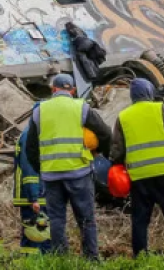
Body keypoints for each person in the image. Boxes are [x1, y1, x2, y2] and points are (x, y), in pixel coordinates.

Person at [25, 74, 111, 259]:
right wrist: (98, 154)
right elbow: (105, 133)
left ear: (53, 89)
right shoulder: (81, 107)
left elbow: (30, 147)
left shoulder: (40, 111)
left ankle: (61, 259)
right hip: (79, 173)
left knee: (56, 219)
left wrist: (42, 168)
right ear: (72, 90)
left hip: (51, 175)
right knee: (87, 219)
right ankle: (91, 259)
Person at [110, 78, 164, 257]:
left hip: (139, 178)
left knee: (140, 222)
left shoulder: (123, 117)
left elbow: (116, 151)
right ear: (150, 92)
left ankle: (140, 258)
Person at [13, 113, 50, 254]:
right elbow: (30, 169)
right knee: (36, 236)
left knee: (41, 235)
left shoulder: (33, 133)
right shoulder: (31, 136)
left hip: (36, 194)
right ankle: (34, 264)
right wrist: (33, 197)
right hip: (34, 195)